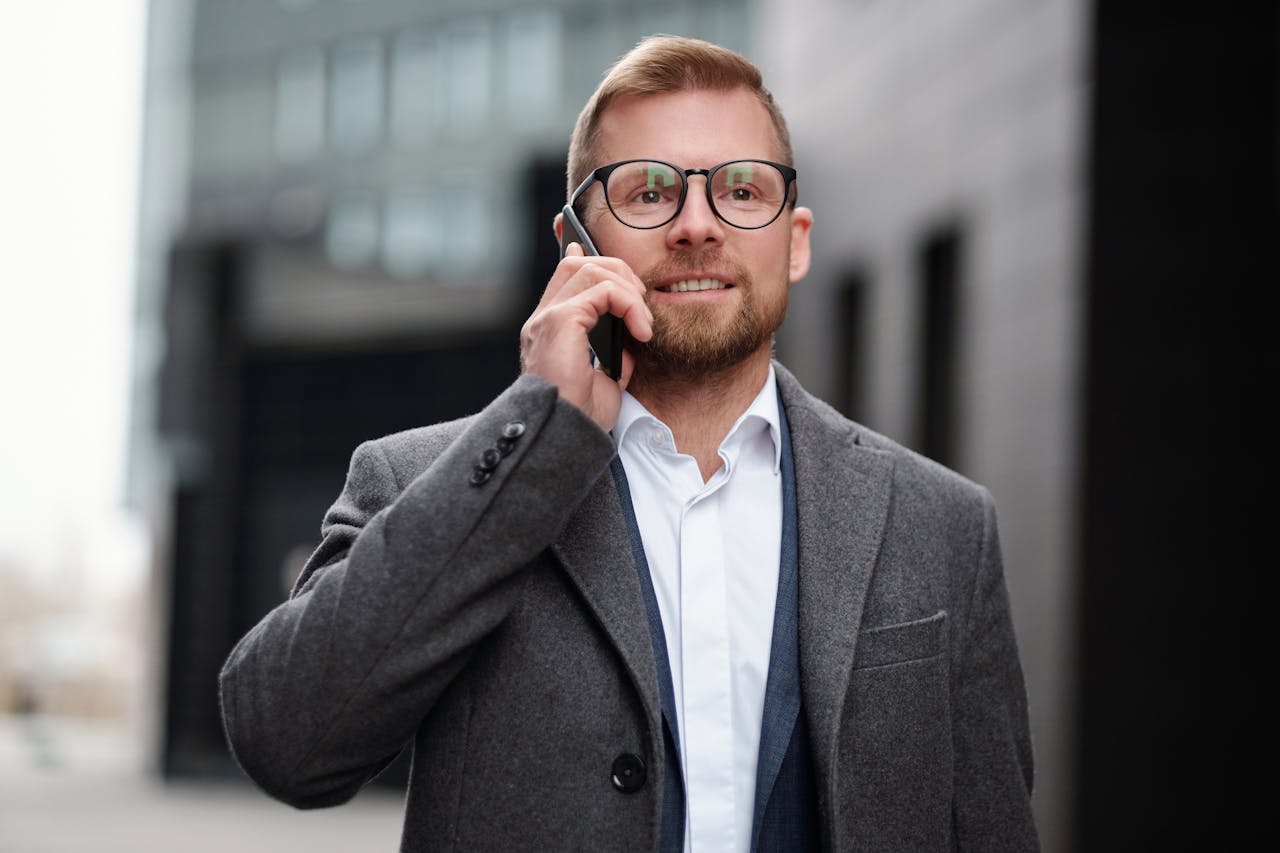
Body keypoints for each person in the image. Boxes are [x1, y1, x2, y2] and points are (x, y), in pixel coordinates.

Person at [219, 35, 1038, 852]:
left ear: (795, 240)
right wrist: (533, 433)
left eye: (742, 190)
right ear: (575, 239)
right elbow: (285, 741)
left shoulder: (942, 528)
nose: (695, 225)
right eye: (648, 192)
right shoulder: (423, 480)